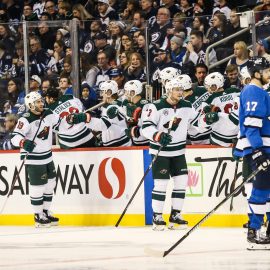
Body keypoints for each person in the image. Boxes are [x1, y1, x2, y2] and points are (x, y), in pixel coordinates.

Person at [141, 77, 199, 230]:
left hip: (179, 151)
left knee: (181, 183)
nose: (180, 92)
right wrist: (158, 135)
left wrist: (208, 119)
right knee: (161, 184)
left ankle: (175, 215)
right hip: (161, 152)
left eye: (181, 89)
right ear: (168, 91)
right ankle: (157, 216)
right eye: (176, 90)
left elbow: (195, 124)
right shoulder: (155, 106)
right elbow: (145, 127)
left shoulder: (187, 106)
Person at [234, 57, 270, 249]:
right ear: (257, 73)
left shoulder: (260, 92)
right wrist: (257, 150)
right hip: (261, 148)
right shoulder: (253, 91)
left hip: (265, 147)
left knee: (268, 190)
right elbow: (251, 125)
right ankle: (254, 231)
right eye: (266, 71)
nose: (269, 74)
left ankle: (262, 230)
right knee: (261, 188)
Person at [11, 92, 60, 228]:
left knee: (50, 184)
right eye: (38, 102)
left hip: (48, 155)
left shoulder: (48, 113)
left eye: (41, 101)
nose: (41, 103)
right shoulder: (25, 119)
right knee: (38, 187)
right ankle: (38, 215)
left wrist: (72, 118)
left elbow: (60, 122)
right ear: (31, 105)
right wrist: (23, 143)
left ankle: (45, 211)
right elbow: (15, 137)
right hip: (34, 158)